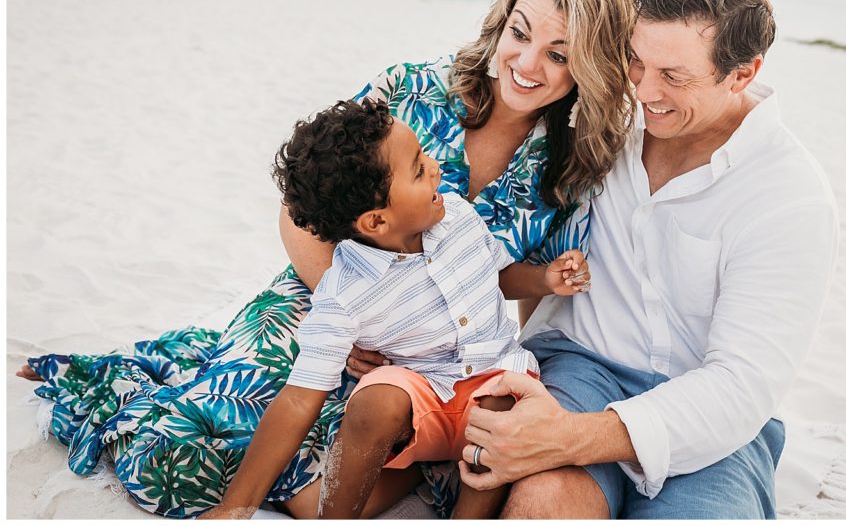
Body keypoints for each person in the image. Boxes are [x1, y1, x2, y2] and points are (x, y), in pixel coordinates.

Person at [17, 0, 636, 518]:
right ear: (501, 22)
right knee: (177, 460)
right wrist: (356, 322)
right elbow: (302, 208)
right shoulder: (413, 88)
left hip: (436, 359)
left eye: (559, 54)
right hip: (327, 303)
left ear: (590, 64)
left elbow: (515, 288)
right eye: (519, 34)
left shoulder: (570, 167)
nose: (527, 64)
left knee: (353, 485)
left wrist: (497, 365)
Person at [453, 0, 839, 519]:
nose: (644, 91)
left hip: (709, 410)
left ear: (742, 74)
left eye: (674, 77)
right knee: (544, 502)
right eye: (636, 62)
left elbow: (739, 386)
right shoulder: (603, 127)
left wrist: (566, 438)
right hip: (579, 366)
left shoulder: (790, 196)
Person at [201, 100, 588, 519]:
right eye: (419, 169)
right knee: (375, 400)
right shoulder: (345, 293)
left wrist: (543, 280)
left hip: (496, 383)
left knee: (502, 403)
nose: (436, 165)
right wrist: (237, 506)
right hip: (426, 400)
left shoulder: (457, 215)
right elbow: (298, 400)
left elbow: (495, 274)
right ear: (376, 223)